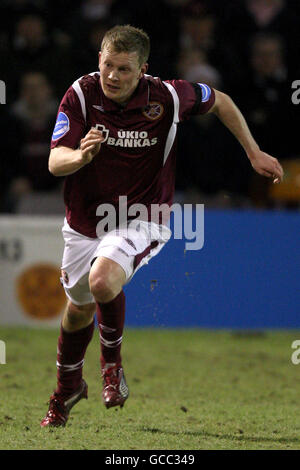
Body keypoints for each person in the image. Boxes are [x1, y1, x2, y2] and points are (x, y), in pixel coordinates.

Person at [41, 24, 283, 427]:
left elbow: (219, 100)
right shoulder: (81, 94)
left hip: (143, 217)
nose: (113, 77)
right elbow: (54, 161)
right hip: (85, 222)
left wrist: (253, 152)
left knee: (102, 282)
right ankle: (67, 389)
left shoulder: (169, 96)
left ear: (142, 69)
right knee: (78, 309)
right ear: (98, 61)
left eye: (123, 69)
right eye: (107, 66)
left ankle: (111, 368)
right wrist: (81, 158)